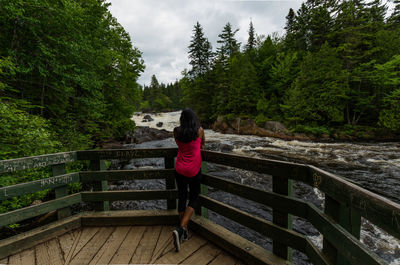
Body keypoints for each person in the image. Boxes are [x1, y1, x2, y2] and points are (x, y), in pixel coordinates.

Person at [172, 108, 205, 252]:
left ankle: (183, 231)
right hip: (194, 169)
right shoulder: (199, 131)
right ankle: (181, 228)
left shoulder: (176, 131)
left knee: (182, 196)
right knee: (194, 196)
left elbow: (179, 146)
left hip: (179, 168)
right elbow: (203, 145)